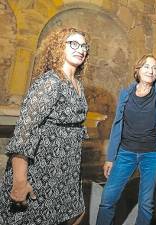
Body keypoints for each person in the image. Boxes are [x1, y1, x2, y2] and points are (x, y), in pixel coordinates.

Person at [0, 27, 89, 225]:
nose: (80, 49)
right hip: (42, 168)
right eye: (73, 44)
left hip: (65, 170)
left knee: (75, 212)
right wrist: (20, 181)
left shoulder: (77, 84)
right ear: (59, 48)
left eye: (84, 45)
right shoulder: (50, 82)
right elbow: (24, 132)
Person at [96, 54, 156, 225]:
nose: (151, 70)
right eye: (147, 66)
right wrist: (110, 157)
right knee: (108, 198)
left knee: (146, 203)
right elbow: (117, 126)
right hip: (126, 152)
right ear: (137, 70)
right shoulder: (125, 94)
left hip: (153, 155)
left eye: (154, 67)